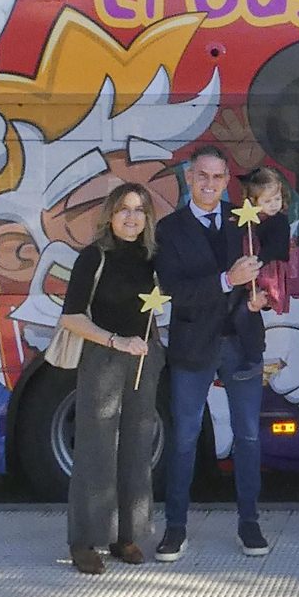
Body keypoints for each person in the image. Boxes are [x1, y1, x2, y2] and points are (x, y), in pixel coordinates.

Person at [154, 145, 267, 562]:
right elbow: (174, 289)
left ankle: (250, 522)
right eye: (203, 176)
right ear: (188, 177)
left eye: (218, 178)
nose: (210, 184)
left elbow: (265, 276)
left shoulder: (246, 223)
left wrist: (264, 297)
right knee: (183, 438)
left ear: (225, 182)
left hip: (242, 342)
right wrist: (225, 279)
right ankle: (175, 528)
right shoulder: (169, 228)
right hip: (193, 345)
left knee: (249, 436)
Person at [61, 184, 166, 574]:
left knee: (138, 447)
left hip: (143, 358)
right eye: (124, 209)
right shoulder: (93, 257)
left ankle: (127, 535)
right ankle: (84, 540)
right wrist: (115, 340)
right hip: (104, 357)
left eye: (140, 210)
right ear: (109, 214)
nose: (132, 217)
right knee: (97, 448)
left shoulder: (153, 257)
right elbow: (70, 317)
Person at [230, 167, 291, 382]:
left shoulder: (279, 221)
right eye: (267, 201)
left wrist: (259, 260)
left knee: (245, 311)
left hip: (267, 275)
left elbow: (278, 248)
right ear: (253, 202)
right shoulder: (250, 220)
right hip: (251, 274)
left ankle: (255, 356)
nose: (274, 204)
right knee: (240, 309)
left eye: (277, 198)